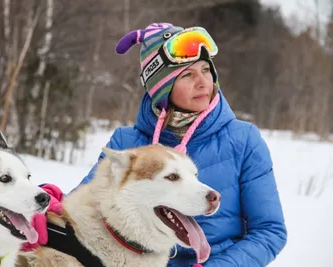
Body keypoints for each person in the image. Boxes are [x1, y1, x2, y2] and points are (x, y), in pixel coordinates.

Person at [75, 23, 287, 267]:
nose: (203, 82)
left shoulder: (243, 139)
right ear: (161, 88)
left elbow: (270, 231)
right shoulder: (127, 143)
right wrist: (44, 202)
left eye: (206, 70)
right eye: (187, 74)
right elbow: (86, 205)